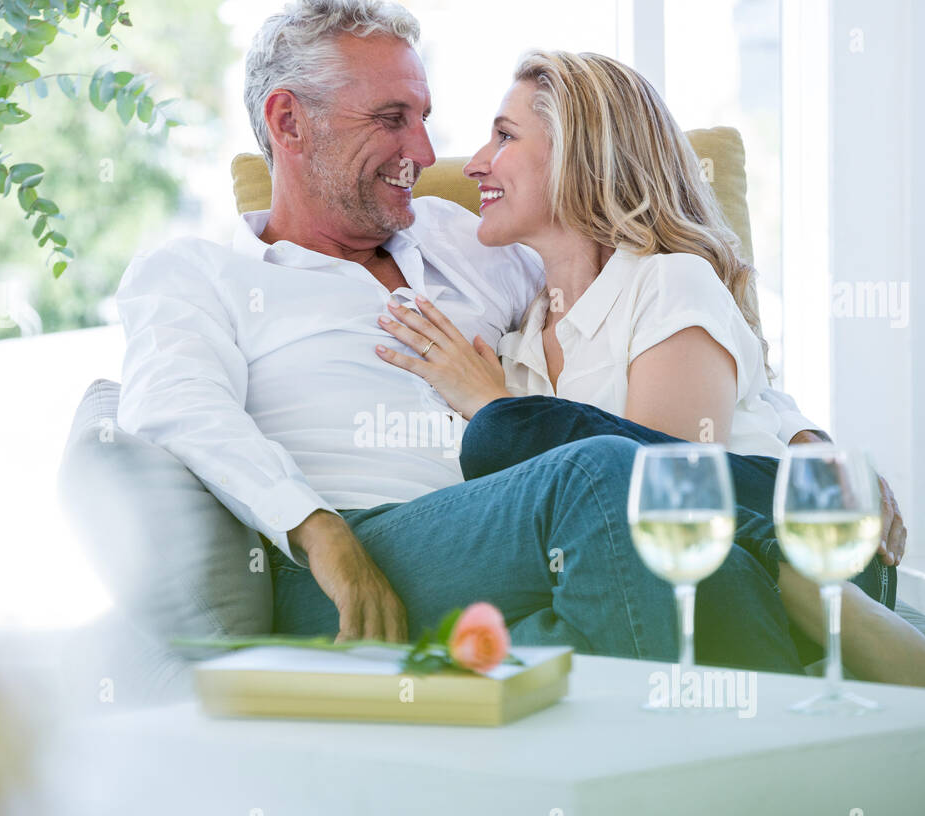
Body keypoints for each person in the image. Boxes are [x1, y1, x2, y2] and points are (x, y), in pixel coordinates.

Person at [116, 0, 872, 674]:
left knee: (676, 546)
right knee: (601, 478)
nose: (422, 152)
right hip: (349, 569)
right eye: (390, 119)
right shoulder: (197, 274)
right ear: (288, 122)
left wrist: (804, 441)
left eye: (422, 116)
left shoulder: (467, 242)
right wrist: (319, 533)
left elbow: (635, 303)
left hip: (526, 544)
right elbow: (174, 409)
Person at [369, 49, 925, 689]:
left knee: (530, 446)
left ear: (581, 155)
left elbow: (666, 499)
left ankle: (805, 574)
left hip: (743, 564)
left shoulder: (666, 284)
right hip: (717, 567)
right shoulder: (516, 344)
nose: (475, 165)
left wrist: (499, 413)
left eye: (505, 136)